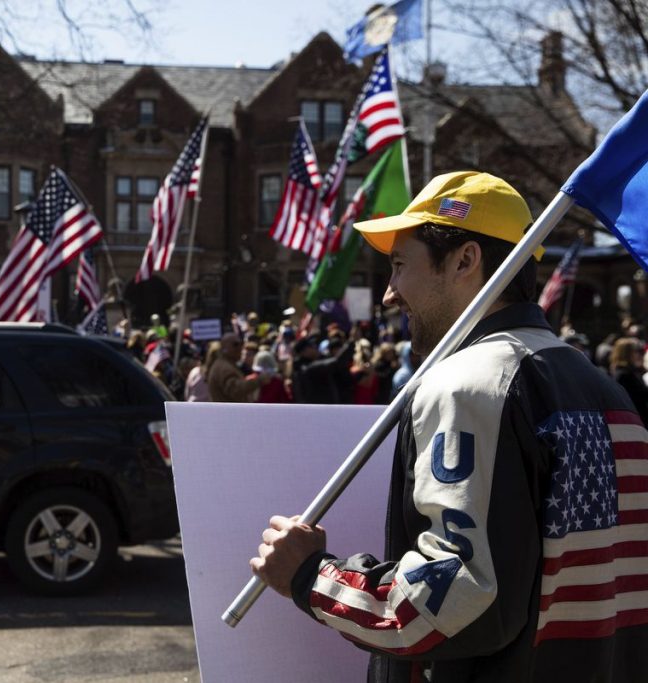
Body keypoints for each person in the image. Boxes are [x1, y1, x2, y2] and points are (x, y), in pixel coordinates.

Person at [250, 171, 648, 682]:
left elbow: (456, 599)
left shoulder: (468, 384)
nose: (390, 293)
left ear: (465, 260)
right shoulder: (611, 394)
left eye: (399, 265)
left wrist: (311, 576)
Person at [206, 333, 268, 402]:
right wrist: (259, 380)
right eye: (235, 344)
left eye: (241, 344)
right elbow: (235, 390)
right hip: (228, 412)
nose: (240, 348)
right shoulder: (224, 367)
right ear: (224, 348)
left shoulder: (225, 364)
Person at [609, 337, 648, 424]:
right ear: (626, 354)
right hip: (635, 422)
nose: (639, 355)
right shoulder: (624, 375)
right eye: (636, 351)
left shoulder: (631, 372)